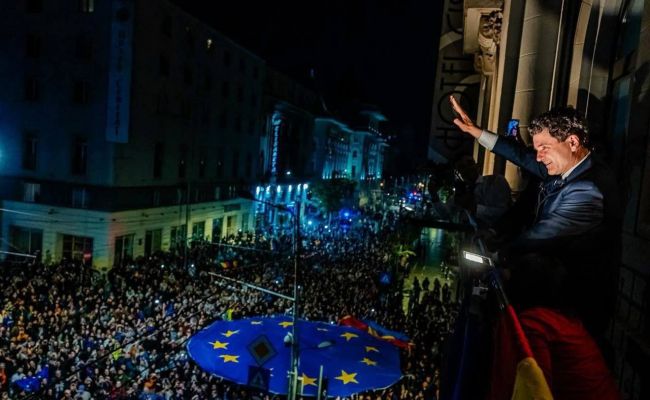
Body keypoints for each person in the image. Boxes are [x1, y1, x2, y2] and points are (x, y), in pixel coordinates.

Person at [449, 96, 621, 343]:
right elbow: (520, 155)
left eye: (544, 148)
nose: (538, 158)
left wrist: (497, 255)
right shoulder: (567, 164)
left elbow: (540, 236)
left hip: (575, 315)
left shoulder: (589, 189)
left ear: (572, 142)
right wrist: (476, 132)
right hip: (554, 303)